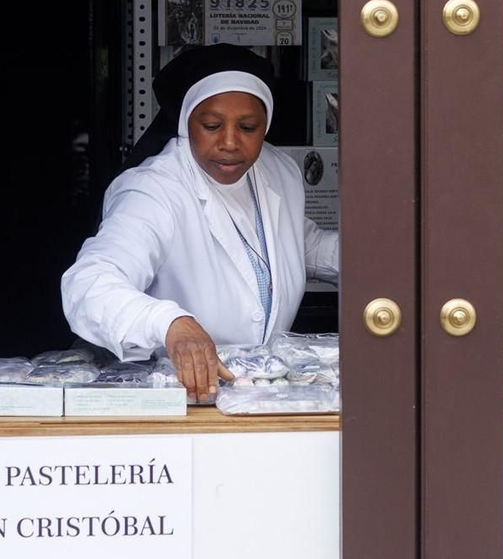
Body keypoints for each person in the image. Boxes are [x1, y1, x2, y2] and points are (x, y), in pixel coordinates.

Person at [62, 45, 340, 400]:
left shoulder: (277, 170)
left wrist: (388, 264)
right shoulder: (153, 190)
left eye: (248, 127)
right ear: (185, 123)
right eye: (211, 126)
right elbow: (89, 284)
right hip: (171, 397)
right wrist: (169, 324)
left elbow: (298, 243)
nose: (229, 142)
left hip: (258, 395)